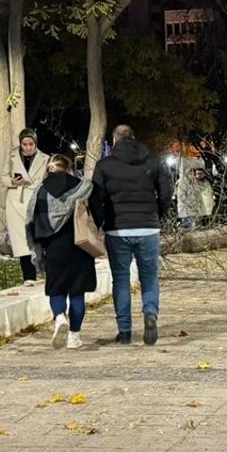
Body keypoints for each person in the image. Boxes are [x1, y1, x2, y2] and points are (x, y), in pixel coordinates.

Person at [90, 124, 173, 345]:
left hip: (117, 229)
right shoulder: (153, 161)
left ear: (114, 140)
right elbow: (166, 192)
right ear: (134, 138)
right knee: (149, 276)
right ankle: (150, 313)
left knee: (121, 279)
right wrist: (157, 214)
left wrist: (101, 223)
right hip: (148, 227)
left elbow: (95, 198)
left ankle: (125, 330)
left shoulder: (104, 165)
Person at [26, 155, 96, 350]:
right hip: (80, 246)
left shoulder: (40, 191)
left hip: (54, 248)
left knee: (56, 289)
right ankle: (74, 337)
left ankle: (59, 317)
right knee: (77, 293)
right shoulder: (83, 187)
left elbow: (30, 221)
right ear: (69, 168)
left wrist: (37, 249)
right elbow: (97, 212)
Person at [4, 129, 49, 286]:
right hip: (16, 200)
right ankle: (28, 276)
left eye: (31, 144)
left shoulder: (45, 159)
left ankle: (46, 271)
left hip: (36, 200)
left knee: (40, 238)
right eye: (25, 144)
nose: (28, 147)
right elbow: (3, 177)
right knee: (21, 241)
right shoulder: (12, 156)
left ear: (35, 143)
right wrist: (12, 182)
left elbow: (47, 180)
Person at [176, 164, 213, 229]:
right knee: (186, 226)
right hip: (186, 209)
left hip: (192, 209)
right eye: (191, 174)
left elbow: (196, 193)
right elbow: (182, 196)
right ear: (187, 174)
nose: (193, 176)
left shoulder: (191, 183)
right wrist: (191, 204)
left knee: (190, 226)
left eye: (194, 174)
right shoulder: (183, 182)